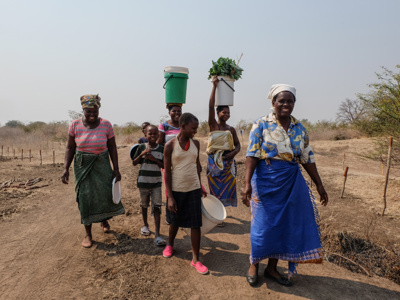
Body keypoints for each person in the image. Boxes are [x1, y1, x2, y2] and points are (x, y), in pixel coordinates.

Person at [242, 84, 328, 287]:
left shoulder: (300, 128)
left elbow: (307, 158)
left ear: (294, 103)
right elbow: (252, 155)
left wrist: (319, 185)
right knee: (262, 226)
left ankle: (272, 268)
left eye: (290, 101)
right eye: (281, 100)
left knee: (283, 226)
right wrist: (247, 184)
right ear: (273, 103)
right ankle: (254, 264)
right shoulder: (261, 124)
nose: (286, 104)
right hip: (266, 182)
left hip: (291, 183)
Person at [61, 94, 125, 248]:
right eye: (88, 111)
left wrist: (116, 169)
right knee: (85, 198)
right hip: (82, 165)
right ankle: (88, 234)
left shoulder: (106, 125)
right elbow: (70, 147)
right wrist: (65, 168)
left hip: (102, 164)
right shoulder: (75, 125)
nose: (92, 114)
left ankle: (103, 218)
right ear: (83, 110)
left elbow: (112, 148)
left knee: (104, 194)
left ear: (98, 109)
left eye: (95, 111)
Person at [162, 113, 208, 275]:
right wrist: (170, 197)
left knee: (196, 224)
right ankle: (170, 244)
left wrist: (200, 185)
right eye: (193, 128)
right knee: (174, 221)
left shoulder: (196, 144)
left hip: (193, 189)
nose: (195, 131)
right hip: (176, 190)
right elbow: (167, 172)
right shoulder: (169, 146)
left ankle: (196, 259)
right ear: (182, 126)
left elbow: (197, 166)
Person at [207, 77, 241, 215]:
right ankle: (216, 213)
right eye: (223, 112)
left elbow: (238, 146)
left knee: (226, 188)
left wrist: (232, 154)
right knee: (214, 188)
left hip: (227, 163)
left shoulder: (231, 129)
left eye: (228, 113)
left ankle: (222, 212)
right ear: (217, 113)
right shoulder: (213, 125)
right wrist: (214, 87)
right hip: (214, 163)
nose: (226, 115)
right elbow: (210, 106)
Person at [132, 125, 166, 246]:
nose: (152, 136)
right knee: (144, 205)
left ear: (158, 135)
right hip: (143, 182)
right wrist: (141, 155)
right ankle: (145, 225)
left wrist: (153, 159)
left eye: (155, 134)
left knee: (157, 207)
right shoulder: (141, 147)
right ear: (145, 135)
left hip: (156, 183)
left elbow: (164, 166)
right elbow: (134, 162)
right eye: (150, 134)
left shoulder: (162, 149)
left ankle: (157, 233)